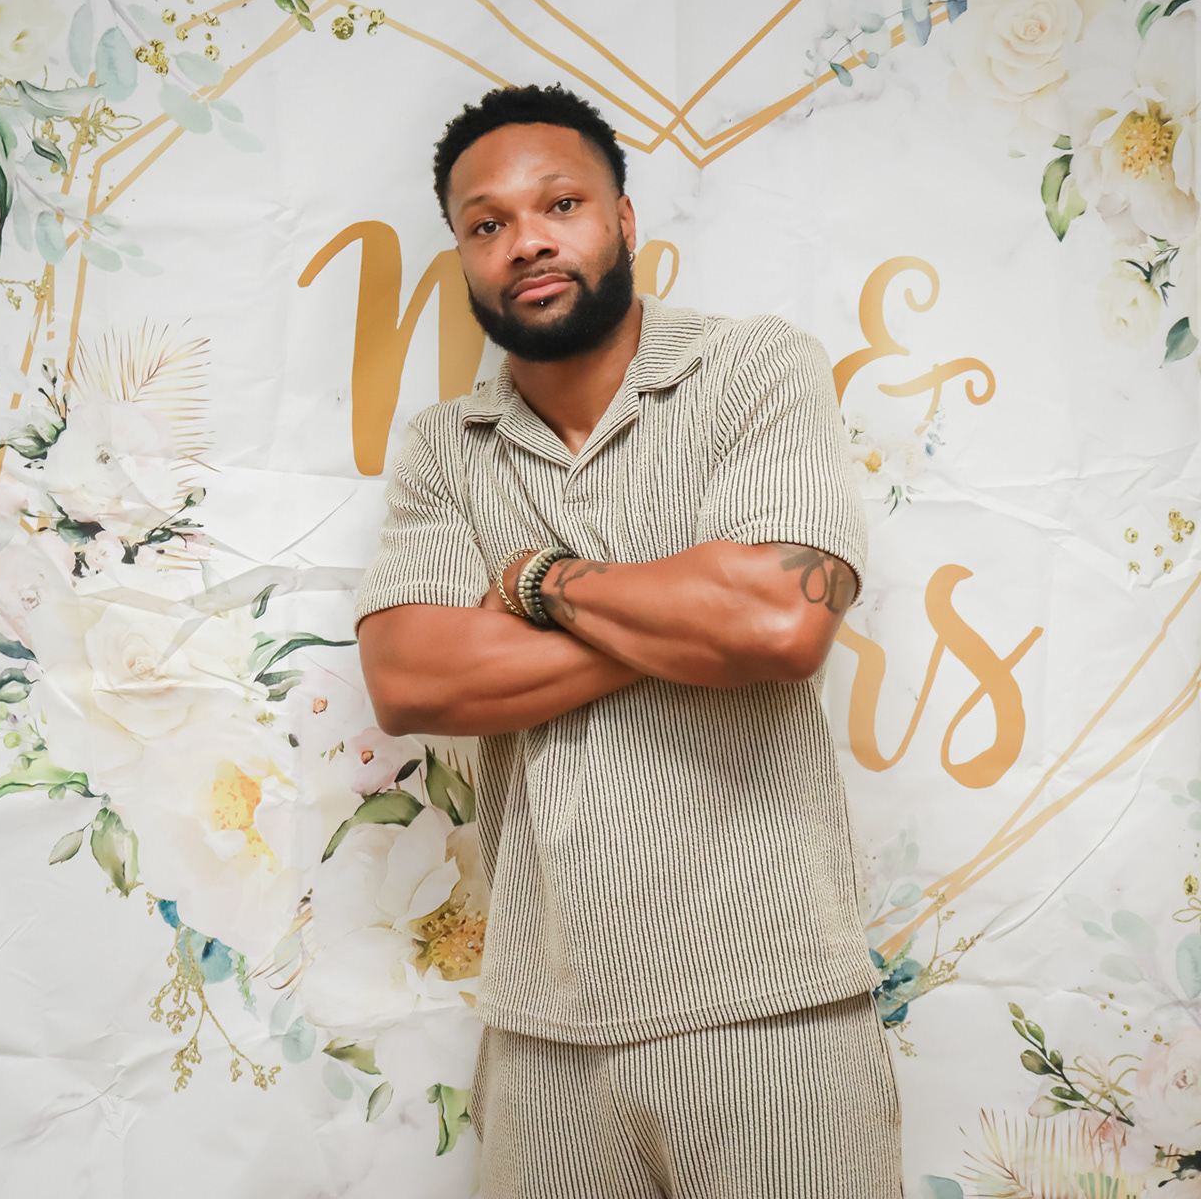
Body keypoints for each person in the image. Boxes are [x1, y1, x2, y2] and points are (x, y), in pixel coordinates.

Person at [352, 83, 903, 1199]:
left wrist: (539, 583)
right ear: (465, 258)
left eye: (561, 203)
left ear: (624, 220)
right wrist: (692, 610)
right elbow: (409, 679)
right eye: (487, 223)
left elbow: (780, 621)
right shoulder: (446, 446)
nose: (527, 240)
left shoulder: (756, 369)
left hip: (776, 1013)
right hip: (542, 1035)